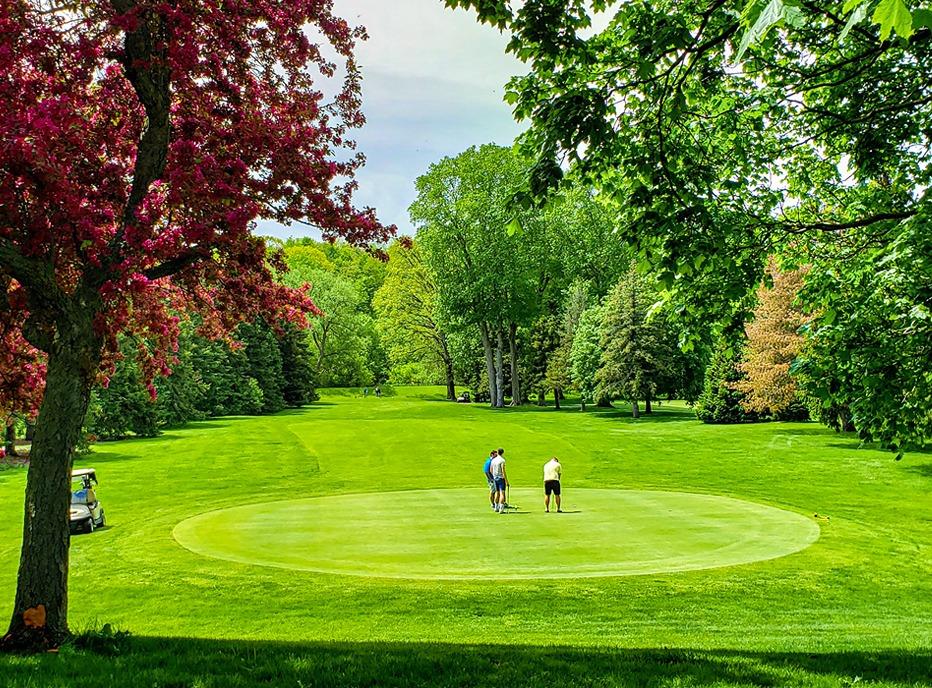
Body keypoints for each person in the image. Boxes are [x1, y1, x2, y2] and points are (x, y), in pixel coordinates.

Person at [489, 448, 508, 513]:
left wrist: (494, 475)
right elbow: (503, 471)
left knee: (497, 493)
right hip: (501, 478)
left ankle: (496, 507)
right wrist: (506, 481)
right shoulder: (502, 460)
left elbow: (491, 470)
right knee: (502, 493)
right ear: (502, 453)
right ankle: (501, 509)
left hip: (495, 478)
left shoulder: (493, 460)